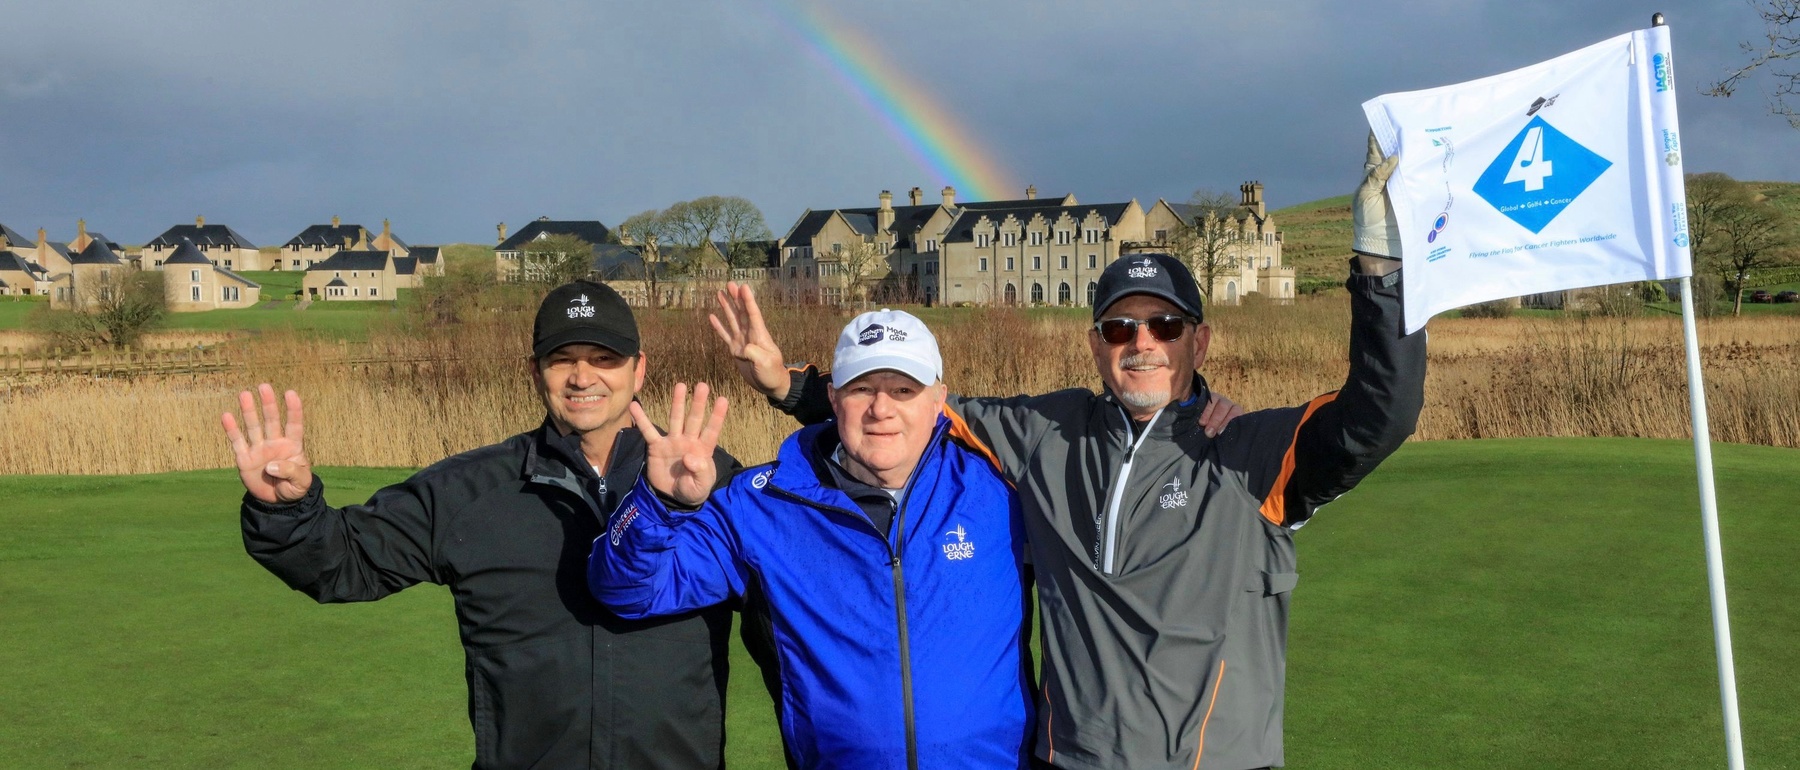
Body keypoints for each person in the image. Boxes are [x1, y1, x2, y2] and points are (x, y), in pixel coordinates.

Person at [716, 135, 1427, 770]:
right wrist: (790, 385)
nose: (1141, 343)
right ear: (1095, 344)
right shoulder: (1048, 434)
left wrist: (1380, 263)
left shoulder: (1246, 449)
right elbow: (909, 409)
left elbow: (1379, 413)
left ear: (1199, 340)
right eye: (1119, 328)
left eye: (1165, 325)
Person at [221, 280, 766, 770]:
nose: (583, 377)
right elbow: (343, 563)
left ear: (639, 369)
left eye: (605, 357)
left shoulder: (712, 484)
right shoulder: (470, 489)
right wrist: (286, 509)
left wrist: (795, 391)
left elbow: (805, 600)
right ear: (535, 370)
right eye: (561, 358)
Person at [587, 310, 1038, 770]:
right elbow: (629, 591)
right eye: (862, 388)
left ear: (938, 398)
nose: (881, 409)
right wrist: (660, 503)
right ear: (833, 397)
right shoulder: (762, 503)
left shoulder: (1002, 488)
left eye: (904, 389)